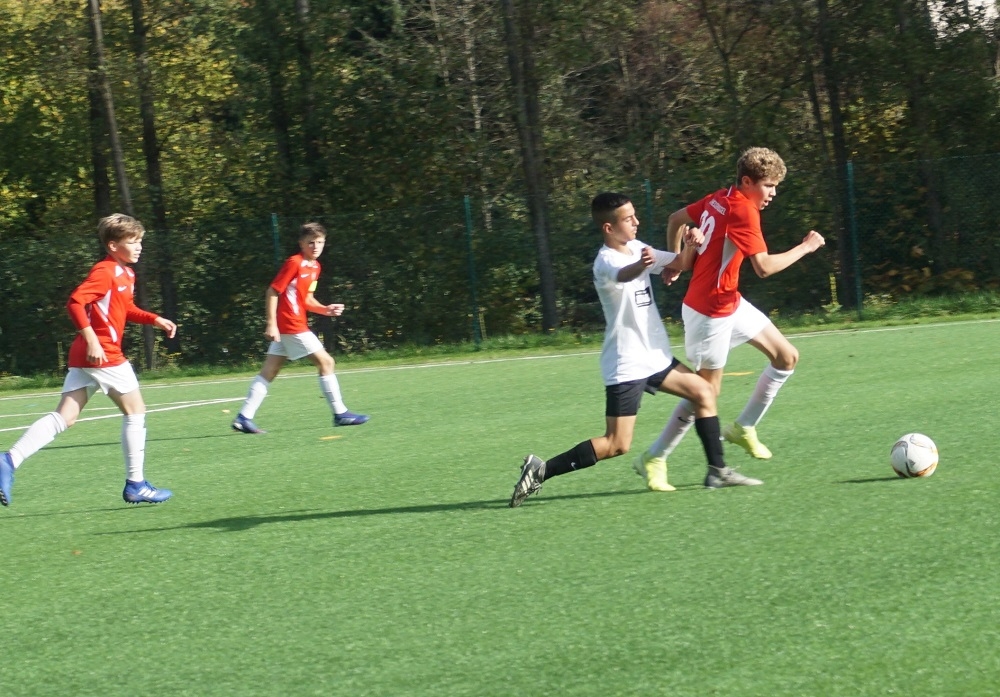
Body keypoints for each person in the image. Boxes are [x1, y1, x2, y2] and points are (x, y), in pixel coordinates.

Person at [509, 192, 762, 508]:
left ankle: (717, 471)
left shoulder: (637, 247)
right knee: (617, 444)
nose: (636, 222)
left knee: (704, 393)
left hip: (654, 356)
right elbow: (623, 274)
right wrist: (642, 263)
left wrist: (691, 244)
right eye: (628, 219)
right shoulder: (606, 260)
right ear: (608, 228)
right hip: (626, 362)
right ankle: (541, 470)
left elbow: (681, 263)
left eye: (635, 216)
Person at [642, 146, 825, 469]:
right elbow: (764, 268)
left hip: (729, 301)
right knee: (705, 393)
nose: (773, 193)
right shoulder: (743, 210)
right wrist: (805, 247)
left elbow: (675, 219)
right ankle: (655, 457)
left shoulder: (720, 197)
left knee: (786, 357)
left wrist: (676, 261)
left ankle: (744, 427)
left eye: (775, 186)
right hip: (708, 312)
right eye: (768, 185)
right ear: (747, 182)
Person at [0, 213, 176, 507]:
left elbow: (125, 308)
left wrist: (154, 318)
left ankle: (8, 461)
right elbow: (75, 302)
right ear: (113, 245)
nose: (139, 247)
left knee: (65, 417)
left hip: (87, 356)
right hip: (102, 354)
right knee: (136, 411)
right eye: (132, 241)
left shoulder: (126, 274)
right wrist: (93, 340)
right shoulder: (105, 271)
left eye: (140, 241)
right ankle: (136, 484)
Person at [231, 222, 368, 434]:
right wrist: (271, 323)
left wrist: (325, 310)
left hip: (293, 324)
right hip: (291, 324)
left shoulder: (315, 267)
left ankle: (243, 417)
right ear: (301, 244)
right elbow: (272, 291)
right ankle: (340, 414)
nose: (316, 246)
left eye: (320, 242)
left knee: (270, 370)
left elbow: (307, 299)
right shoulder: (294, 262)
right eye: (310, 242)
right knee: (326, 362)